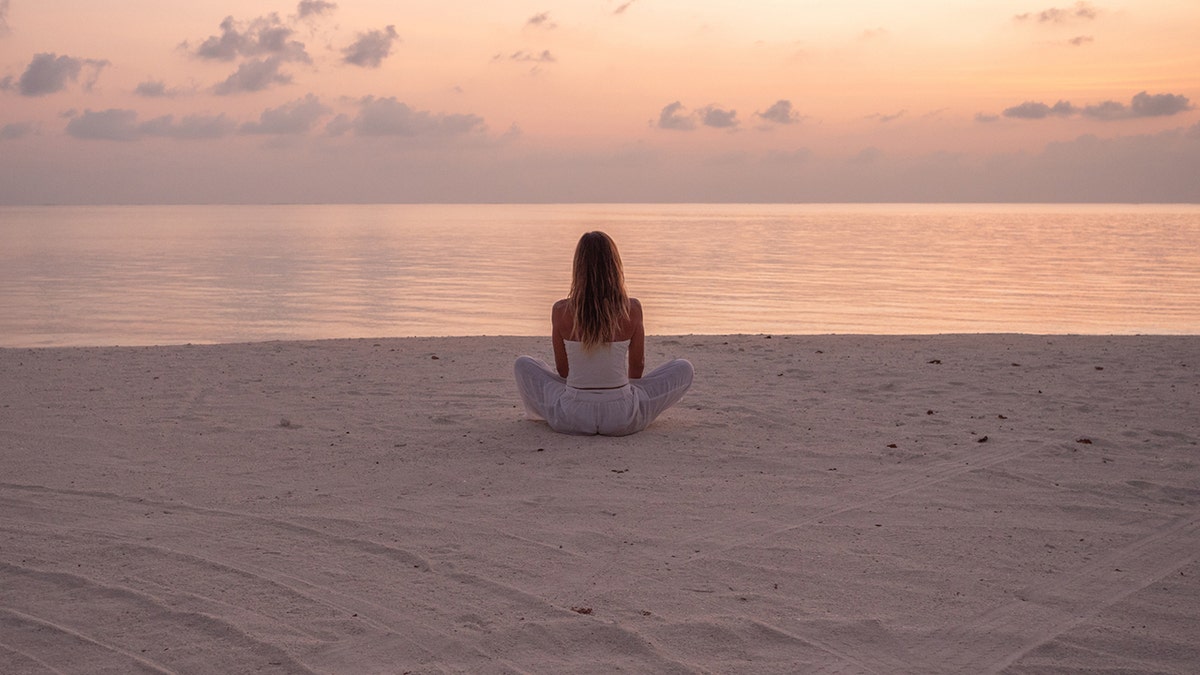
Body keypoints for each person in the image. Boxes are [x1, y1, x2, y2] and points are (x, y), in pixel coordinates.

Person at [514, 231, 693, 436]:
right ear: (615, 266)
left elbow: (563, 371)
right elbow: (637, 367)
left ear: (577, 267)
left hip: (572, 415)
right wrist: (618, 392)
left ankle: (545, 412)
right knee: (683, 368)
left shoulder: (560, 310)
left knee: (523, 364)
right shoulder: (631, 309)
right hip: (622, 416)